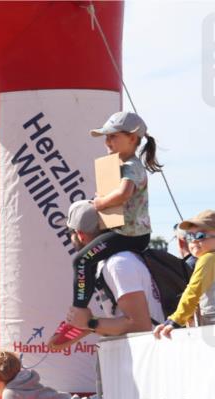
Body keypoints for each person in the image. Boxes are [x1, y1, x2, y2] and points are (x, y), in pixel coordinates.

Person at [69, 111, 162, 325]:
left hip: (128, 235)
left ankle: (80, 311)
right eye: (106, 137)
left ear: (132, 138)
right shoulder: (121, 164)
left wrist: (99, 203)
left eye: (113, 136)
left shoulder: (131, 166)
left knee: (81, 260)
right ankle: (87, 309)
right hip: (125, 232)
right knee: (88, 260)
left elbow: (124, 193)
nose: (107, 141)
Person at [64, 200, 164, 337]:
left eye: (69, 232)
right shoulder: (110, 262)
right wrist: (85, 324)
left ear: (80, 234)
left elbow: (140, 325)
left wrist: (90, 323)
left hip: (148, 353)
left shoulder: (118, 264)